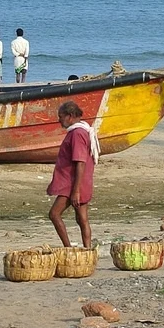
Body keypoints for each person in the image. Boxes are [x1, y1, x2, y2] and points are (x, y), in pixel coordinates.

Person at [47, 101, 99, 248]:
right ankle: (88, 250)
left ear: (70, 116)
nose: (59, 120)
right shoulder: (83, 130)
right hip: (82, 182)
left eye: (61, 116)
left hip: (72, 183)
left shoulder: (77, 134)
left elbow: (80, 161)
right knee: (82, 219)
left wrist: (75, 191)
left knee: (54, 214)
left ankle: (68, 248)